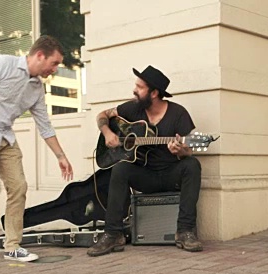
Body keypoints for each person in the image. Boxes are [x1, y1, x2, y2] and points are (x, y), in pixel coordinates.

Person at [0, 35, 73, 262]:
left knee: (18, 187)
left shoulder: (37, 88)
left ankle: (12, 246)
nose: (55, 69)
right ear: (40, 55)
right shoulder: (1, 65)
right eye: (54, 63)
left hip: (5, 138)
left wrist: (61, 156)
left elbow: (44, 124)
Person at [87, 65, 203, 257]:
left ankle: (185, 231)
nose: (135, 90)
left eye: (140, 87)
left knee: (192, 165)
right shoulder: (132, 108)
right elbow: (102, 115)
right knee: (121, 169)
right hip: (144, 175)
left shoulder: (178, 113)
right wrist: (107, 133)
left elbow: (188, 150)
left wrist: (181, 151)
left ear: (154, 93)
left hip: (170, 173)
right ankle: (113, 234)